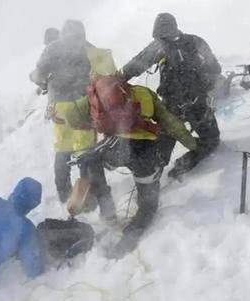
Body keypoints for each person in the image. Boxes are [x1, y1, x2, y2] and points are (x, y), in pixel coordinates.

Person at [65, 76, 198, 259]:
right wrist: (193, 145)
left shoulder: (95, 97)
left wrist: (92, 124)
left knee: (91, 158)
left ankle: (108, 212)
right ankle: (129, 238)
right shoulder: (144, 94)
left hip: (116, 149)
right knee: (148, 205)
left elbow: (72, 117)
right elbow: (172, 124)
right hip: (143, 154)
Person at [120, 13, 221, 179]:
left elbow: (134, 66)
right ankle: (170, 168)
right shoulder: (195, 41)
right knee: (211, 140)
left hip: (172, 108)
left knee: (163, 148)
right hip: (196, 104)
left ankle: (152, 175)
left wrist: (117, 78)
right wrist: (204, 88)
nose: (162, 38)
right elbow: (215, 69)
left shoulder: (159, 46)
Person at [29, 20, 116, 205]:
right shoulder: (87, 47)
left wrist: (41, 80)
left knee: (63, 148)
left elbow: (38, 75)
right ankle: (90, 194)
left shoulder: (53, 48)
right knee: (87, 151)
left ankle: (64, 194)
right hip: (82, 104)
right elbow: (106, 68)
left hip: (59, 106)